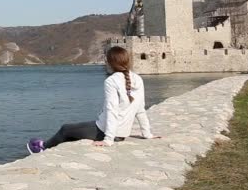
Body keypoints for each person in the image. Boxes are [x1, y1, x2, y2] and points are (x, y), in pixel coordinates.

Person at [26, 47, 159, 154]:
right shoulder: (138, 79)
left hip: (105, 131)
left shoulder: (111, 81)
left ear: (110, 62)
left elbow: (111, 110)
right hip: (122, 133)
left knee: (65, 129)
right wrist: (147, 134)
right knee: (73, 132)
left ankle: (42, 147)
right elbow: (140, 110)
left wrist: (108, 140)